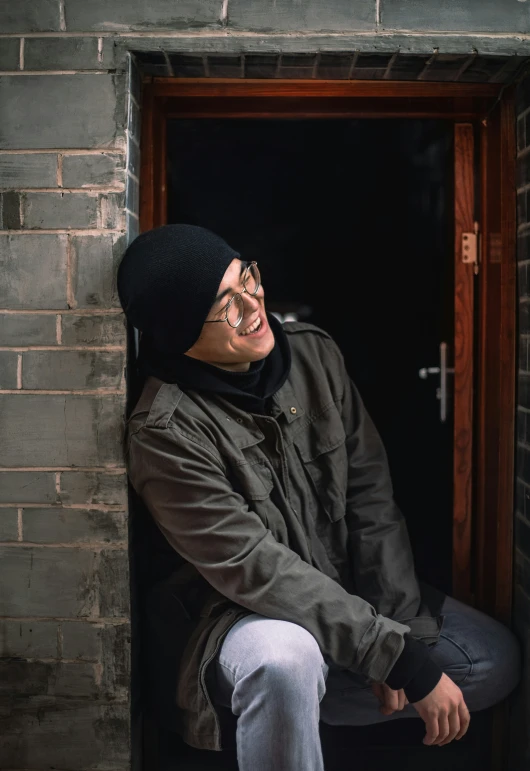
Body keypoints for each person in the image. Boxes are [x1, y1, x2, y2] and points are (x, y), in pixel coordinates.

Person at [117, 223, 521, 771]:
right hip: (243, 620)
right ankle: (278, 701)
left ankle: (295, 710)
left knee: (493, 662)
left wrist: (403, 641)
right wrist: (390, 656)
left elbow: (371, 501)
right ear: (180, 334)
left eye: (247, 279)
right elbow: (255, 570)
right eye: (226, 306)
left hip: (342, 598)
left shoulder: (312, 355)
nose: (253, 305)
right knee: (288, 660)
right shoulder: (165, 432)